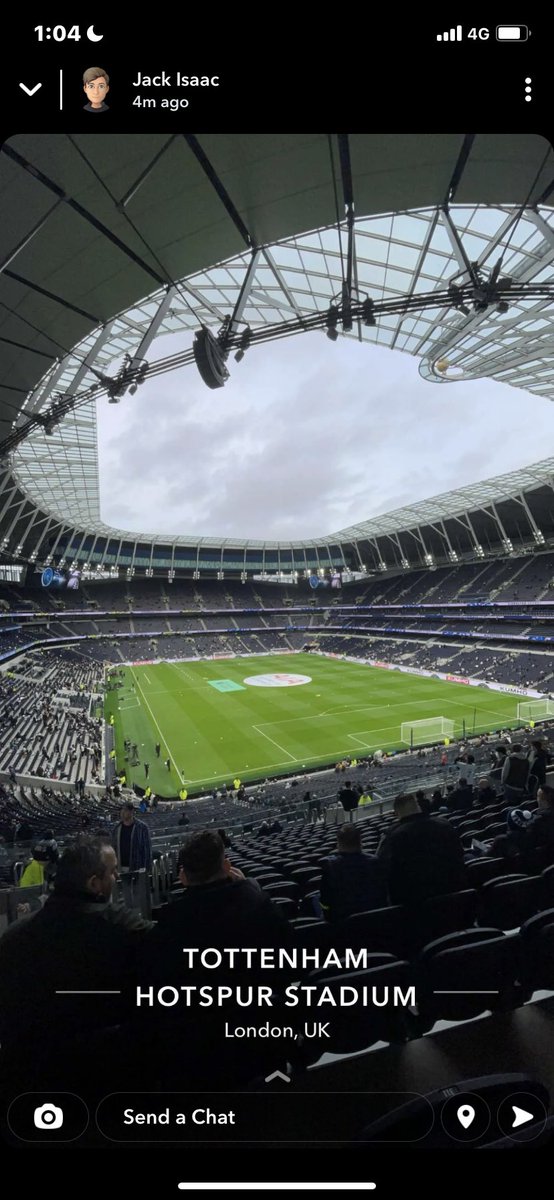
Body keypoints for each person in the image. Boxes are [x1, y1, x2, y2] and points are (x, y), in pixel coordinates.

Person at [0, 836, 153, 1093]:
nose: (116, 877)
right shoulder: (123, 930)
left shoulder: (12, 937)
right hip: (108, 1083)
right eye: (113, 872)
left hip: (30, 1088)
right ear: (95, 884)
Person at [377, 793, 466, 906]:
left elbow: (382, 870)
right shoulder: (444, 825)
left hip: (414, 906)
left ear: (397, 813)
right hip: (454, 899)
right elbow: (459, 854)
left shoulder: (392, 836)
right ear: (418, 807)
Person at [320, 825, 387, 922]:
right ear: (360, 842)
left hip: (344, 924)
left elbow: (325, 901)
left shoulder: (331, 867)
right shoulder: (375, 862)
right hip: (378, 919)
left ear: (339, 844)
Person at [112, 802, 152, 871]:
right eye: (121, 810)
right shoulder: (116, 828)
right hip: (120, 868)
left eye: (125, 810)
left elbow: (147, 850)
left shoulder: (142, 828)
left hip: (137, 868)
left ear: (132, 811)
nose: (122, 812)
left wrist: (146, 869)